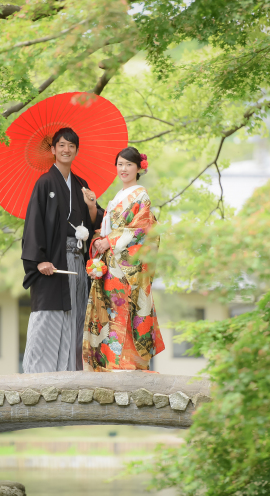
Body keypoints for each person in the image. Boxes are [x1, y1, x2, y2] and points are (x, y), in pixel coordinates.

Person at [21, 127, 104, 373]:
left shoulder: (81, 184)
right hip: (53, 263)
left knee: (78, 314)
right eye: (62, 145)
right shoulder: (45, 182)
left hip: (77, 262)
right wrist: (39, 261)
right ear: (53, 150)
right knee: (49, 315)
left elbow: (94, 222)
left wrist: (91, 205)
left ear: (76, 150)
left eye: (71, 146)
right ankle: (39, 376)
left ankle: (72, 374)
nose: (66, 150)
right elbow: (33, 223)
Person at [82, 147, 165, 372]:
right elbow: (110, 229)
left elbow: (141, 229)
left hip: (127, 269)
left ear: (139, 168)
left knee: (124, 311)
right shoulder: (117, 197)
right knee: (109, 313)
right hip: (111, 267)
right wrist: (100, 239)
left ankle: (128, 366)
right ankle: (107, 365)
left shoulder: (141, 196)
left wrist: (109, 241)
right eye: (120, 164)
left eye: (129, 164)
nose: (123, 169)